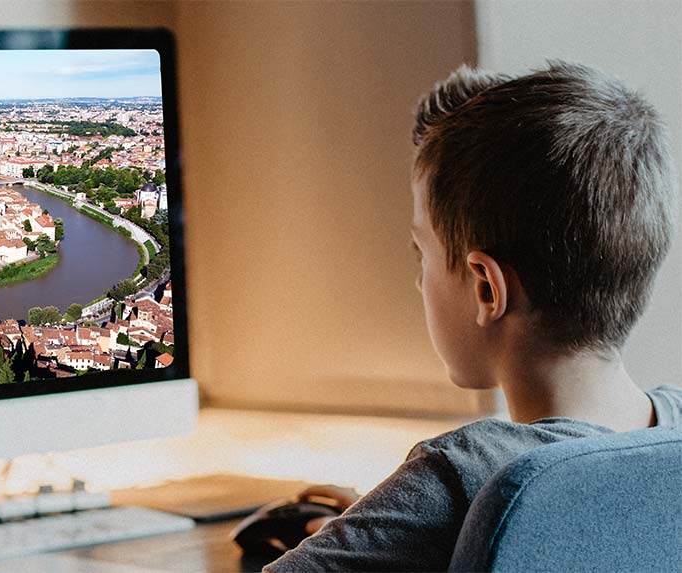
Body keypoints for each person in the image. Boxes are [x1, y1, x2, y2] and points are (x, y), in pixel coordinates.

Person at [265, 61, 682, 572]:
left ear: (486, 288)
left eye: (422, 252)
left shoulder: (463, 475)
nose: (419, 280)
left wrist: (375, 523)